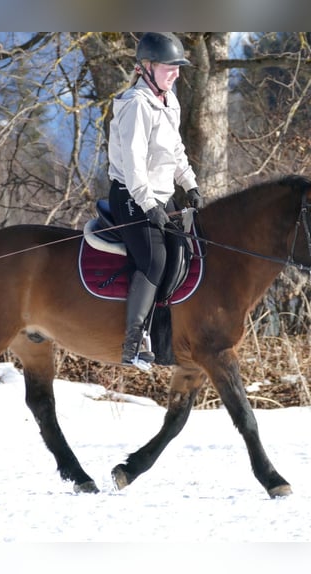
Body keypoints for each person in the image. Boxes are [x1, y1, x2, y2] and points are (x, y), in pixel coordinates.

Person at [107, 32, 203, 370]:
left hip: (160, 195)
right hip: (131, 196)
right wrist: (148, 204)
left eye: (178, 67)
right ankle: (133, 342)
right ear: (146, 67)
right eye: (169, 67)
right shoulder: (136, 104)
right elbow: (133, 165)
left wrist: (189, 183)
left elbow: (175, 150)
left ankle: (165, 335)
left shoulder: (168, 100)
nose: (176, 73)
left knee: (186, 251)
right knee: (155, 260)